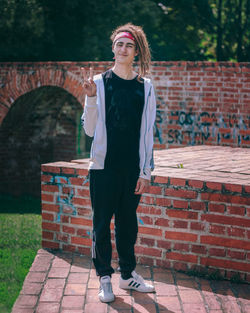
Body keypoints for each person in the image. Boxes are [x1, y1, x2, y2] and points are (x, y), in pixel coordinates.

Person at [81, 23, 156, 303]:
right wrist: (90, 99)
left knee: (128, 225)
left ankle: (127, 276)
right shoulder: (99, 83)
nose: (123, 49)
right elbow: (89, 130)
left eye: (129, 45)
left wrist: (146, 171)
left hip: (132, 170)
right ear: (113, 48)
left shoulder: (145, 88)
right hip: (103, 169)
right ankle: (104, 279)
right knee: (101, 225)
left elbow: (148, 133)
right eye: (119, 44)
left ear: (136, 52)